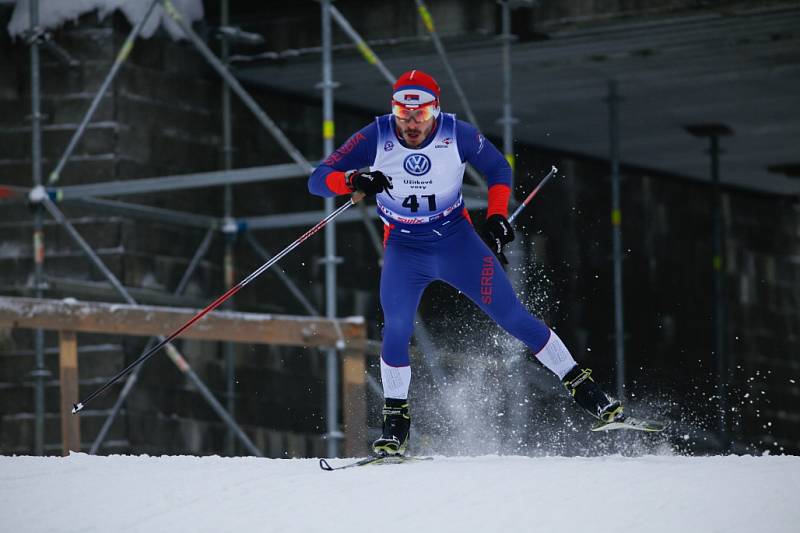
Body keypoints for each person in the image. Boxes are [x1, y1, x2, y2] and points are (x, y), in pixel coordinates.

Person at [308, 69, 624, 456]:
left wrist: (495, 215)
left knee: (512, 318)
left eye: (420, 115)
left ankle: (584, 387)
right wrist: (354, 179)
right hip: (405, 251)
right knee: (397, 327)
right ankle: (396, 421)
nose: (410, 124)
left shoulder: (456, 134)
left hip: (457, 245)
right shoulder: (376, 135)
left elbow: (498, 169)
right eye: (402, 113)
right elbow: (317, 179)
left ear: (435, 111)